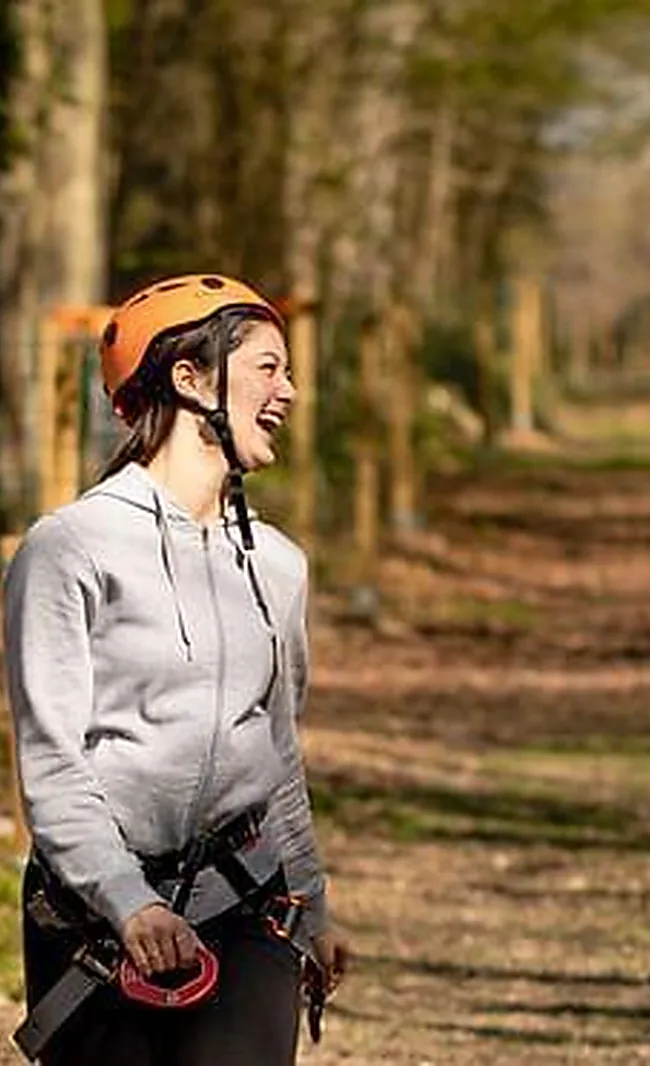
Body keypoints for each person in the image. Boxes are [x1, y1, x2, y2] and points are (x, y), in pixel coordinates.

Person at [3, 274, 352, 1066]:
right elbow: (52, 761)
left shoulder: (279, 566)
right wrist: (129, 905)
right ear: (189, 380)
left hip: (249, 903)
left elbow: (278, 752)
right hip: (93, 912)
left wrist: (313, 905)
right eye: (268, 368)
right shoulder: (69, 550)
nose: (290, 392)